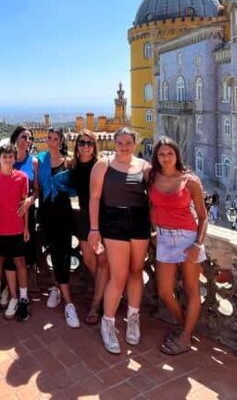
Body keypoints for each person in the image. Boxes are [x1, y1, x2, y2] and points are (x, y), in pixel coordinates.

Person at [89, 127, 151, 354]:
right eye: (120, 142)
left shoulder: (144, 167)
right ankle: (108, 323)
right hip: (113, 221)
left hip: (139, 221)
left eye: (128, 142)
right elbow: (94, 198)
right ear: (114, 143)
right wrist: (94, 228)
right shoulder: (103, 165)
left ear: (134, 143)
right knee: (119, 276)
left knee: (136, 271)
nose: (124, 146)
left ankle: (133, 318)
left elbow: (159, 190)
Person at [148, 136, 208, 356]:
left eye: (169, 154)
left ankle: (184, 337)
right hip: (164, 238)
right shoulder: (152, 177)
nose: (165, 158)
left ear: (177, 155)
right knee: (165, 291)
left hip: (187, 238)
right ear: (156, 157)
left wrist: (197, 244)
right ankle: (186, 327)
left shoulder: (190, 181)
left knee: (192, 290)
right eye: (161, 154)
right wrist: (153, 230)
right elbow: (150, 207)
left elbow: (203, 217)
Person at [36, 127, 80, 328]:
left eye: (56, 138)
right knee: (54, 252)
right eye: (49, 138)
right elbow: (36, 187)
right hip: (46, 213)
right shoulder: (41, 160)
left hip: (63, 213)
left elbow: (75, 189)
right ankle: (58, 288)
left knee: (63, 253)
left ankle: (68, 301)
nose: (52, 141)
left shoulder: (68, 161)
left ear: (61, 141)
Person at [0, 144, 32, 320]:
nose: (7, 159)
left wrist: (26, 226)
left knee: (20, 261)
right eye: (4, 156)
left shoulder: (22, 177)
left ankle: (23, 297)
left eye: (10, 156)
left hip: (17, 228)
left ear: (14, 159)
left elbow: (24, 204)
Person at [68, 129, 108, 325]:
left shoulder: (101, 166)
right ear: (76, 146)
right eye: (82, 143)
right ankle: (105, 289)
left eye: (89, 143)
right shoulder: (73, 167)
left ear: (95, 146)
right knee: (89, 260)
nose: (85, 146)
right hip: (84, 218)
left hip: (103, 218)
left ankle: (96, 304)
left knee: (102, 261)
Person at [0, 125, 39, 314]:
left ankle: (19, 294)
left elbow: (36, 189)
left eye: (30, 138)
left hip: (25, 214)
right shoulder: (7, 159)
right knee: (8, 255)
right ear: (15, 139)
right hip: (5, 215)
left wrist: (31, 200)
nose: (27, 141)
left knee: (23, 256)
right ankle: (11, 290)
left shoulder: (34, 162)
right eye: (24, 137)